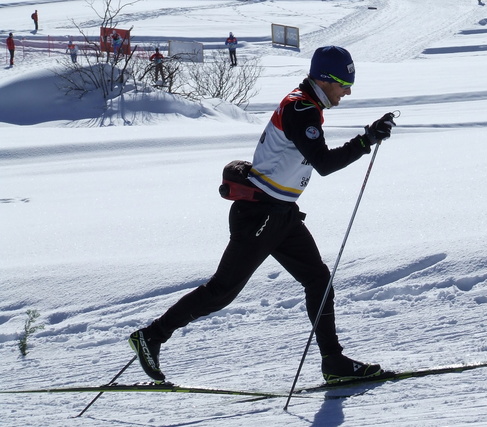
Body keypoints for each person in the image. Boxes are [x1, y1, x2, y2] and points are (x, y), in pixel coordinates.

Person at [128, 45, 397, 385]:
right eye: (344, 83)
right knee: (222, 291)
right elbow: (325, 164)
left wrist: (367, 139)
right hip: (260, 215)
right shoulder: (301, 109)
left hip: (279, 213)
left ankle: (333, 361)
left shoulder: (307, 105)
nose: (347, 91)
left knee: (318, 279)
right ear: (325, 80)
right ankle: (151, 336)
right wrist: (366, 140)